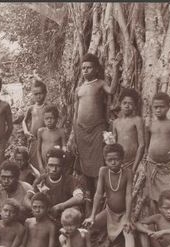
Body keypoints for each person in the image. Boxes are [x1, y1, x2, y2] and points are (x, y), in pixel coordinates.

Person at [67, 53, 121, 209]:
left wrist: (116, 68)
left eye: (88, 67)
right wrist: (75, 137)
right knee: (85, 169)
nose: (85, 70)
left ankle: (101, 203)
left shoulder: (100, 83)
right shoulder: (79, 89)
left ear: (96, 69)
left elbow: (111, 90)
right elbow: (76, 115)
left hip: (97, 129)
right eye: (83, 68)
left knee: (98, 167)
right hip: (82, 132)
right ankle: (89, 204)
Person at [82, 143, 144, 247]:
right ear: (105, 160)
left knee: (128, 232)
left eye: (116, 159)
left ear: (122, 159)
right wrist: (92, 216)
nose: (113, 162)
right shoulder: (103, 171)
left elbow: (128, 195)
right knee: (88, 228)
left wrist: (127, 218)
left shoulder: (127, 173)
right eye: (109, 160)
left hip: (124, 213)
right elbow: (98, 194)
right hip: (109, 212)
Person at [144, 92, 170, 214]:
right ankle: (155, 218)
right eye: (155, 107)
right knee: (152, 195)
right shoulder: (150, 125)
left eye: (162, 107)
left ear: (168, 107)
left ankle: (167, 218)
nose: (158, 110)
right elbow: (146, 144)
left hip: (166, 166)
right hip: (152, 165)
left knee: (168, 194)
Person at [26, 148, 84, 221]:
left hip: (64, 216)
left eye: (58, 166)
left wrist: (60, 206)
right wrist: (36, 208)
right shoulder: (41, 179)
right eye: (51, 165)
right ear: (46, 165)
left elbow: (79, 198)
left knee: (75, 210)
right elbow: (26, 198)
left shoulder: (70, 180)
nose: (54, 169)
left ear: (62, 167)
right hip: (46, 214)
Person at [112, 88, 145, 173]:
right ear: (120, 104)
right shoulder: (115, 122)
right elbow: (114, 144)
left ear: (135, 106)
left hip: (133, 163)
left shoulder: (137, 120)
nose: (127, 106)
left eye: (130, 103)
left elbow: (141, 145)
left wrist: (134, 167)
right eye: (124, 103)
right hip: (119, 164)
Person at [22, 80, 48, 171]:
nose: (38, 96)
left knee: (44, 162)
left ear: (45, 93)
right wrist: (26, 131)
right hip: (33, 140)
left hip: (45, 141)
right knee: (33, 165)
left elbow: (60, 117)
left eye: (40, 93)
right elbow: (24, 121)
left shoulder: (48, 107)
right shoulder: (31, 108)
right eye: (35, 94)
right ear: (33, 95)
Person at [37, 105, 66, 173]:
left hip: (56, 164)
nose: (49, 121)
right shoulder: (41, 131)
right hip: (44, 165)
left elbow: (64, 149)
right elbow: (38, 150)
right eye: (46, 118)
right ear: (43, 119)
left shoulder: (61, 132)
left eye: (51, 118)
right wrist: (41, 166)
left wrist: (62, 163)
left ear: (56, 119)